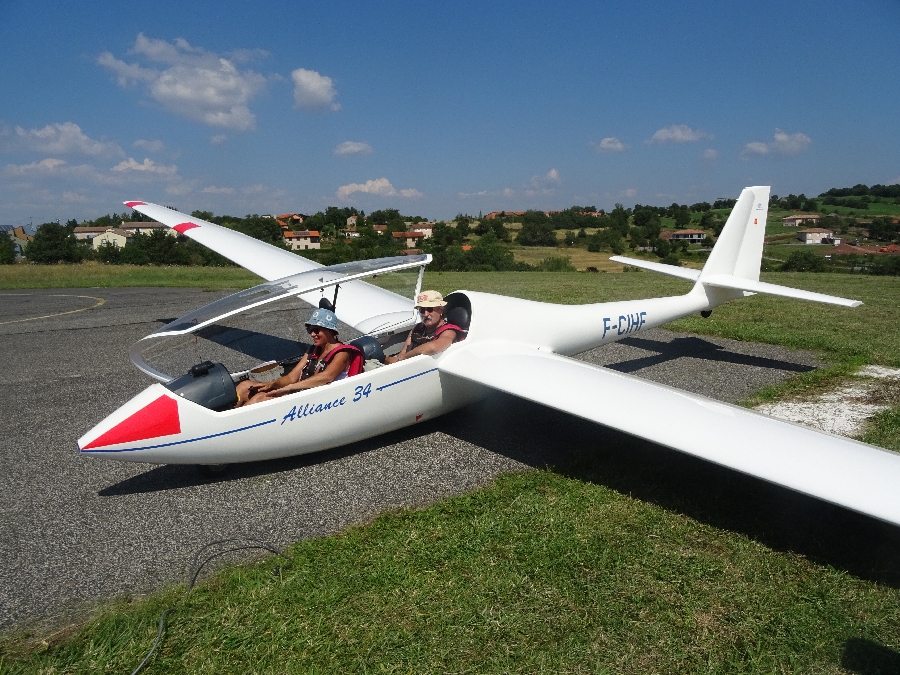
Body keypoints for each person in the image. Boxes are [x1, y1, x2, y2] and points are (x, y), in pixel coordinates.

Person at [235, 309, 363, 406]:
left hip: (316, 400)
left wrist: (288, 388)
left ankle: (233, 430)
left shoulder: (342, 353)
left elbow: (326, 377)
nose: (312, 334)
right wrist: (274, 384)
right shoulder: (314, 350)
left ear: (330, 331)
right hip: (298, 392)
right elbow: (292, 377)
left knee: (259, 398)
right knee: (244, 386)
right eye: (310, 330)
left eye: (316, 330)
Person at [384, 290, 466, 364]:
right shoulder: (417, 328)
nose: (425, 314)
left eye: (430, 309)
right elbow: (402, 352)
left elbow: (433, 347)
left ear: (440, 310)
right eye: (422, 310)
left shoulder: (449, 331)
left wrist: (403, 359)